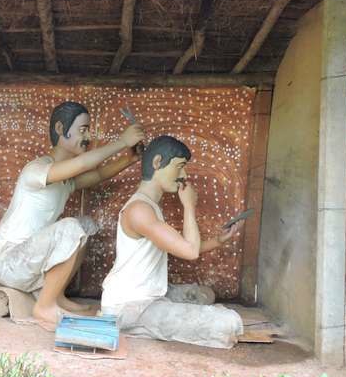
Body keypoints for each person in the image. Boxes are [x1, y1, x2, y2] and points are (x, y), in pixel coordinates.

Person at [0, 101, 145, 325]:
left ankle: (56, 295)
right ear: (61, 129)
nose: (88, 136)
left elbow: (97, 174)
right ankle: (45, 306)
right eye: (83, 130)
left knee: (85, 225)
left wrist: (130, 158)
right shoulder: (36, 170)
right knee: (71, 227)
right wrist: (121, 142)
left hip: (26, 262)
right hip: (5, 262)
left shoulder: (64, 181)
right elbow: (81, 165)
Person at [101, 135, 244, 348]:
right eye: (180, 167)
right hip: (130, 306)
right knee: (228, 323)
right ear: (157, 163)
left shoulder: (150, 206)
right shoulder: (139, 210)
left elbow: (182, 245)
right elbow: (190, 251)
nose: (183, 175)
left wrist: (218, 240)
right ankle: (129, 324)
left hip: (150, 294)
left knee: (205, 295)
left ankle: (163, 314)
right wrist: (189, 206)